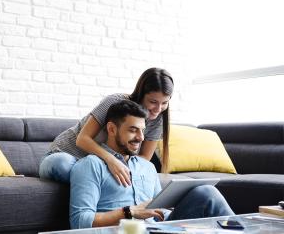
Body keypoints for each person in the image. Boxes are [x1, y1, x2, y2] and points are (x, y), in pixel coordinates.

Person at [69, 101, 234, 229]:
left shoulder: (146, 167)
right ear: (112, 129)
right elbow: (79, 221)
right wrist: (130, 212)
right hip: (125, 230)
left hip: (158, 228)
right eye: (133, 130)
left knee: (206, 192)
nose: (141, 138)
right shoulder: (90, 165)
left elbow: (158, 211)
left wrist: (173, 210)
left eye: (143, 130)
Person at [39, 67, 173, 185]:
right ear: (141, 94)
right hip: (65, 156)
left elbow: (144, 159)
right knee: (63, 165)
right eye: (153, 102)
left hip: (97, 168)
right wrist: (112, 161)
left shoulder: (158, 119)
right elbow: (82, 139)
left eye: (164, 103)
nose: (158, 108)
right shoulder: (115, 102)